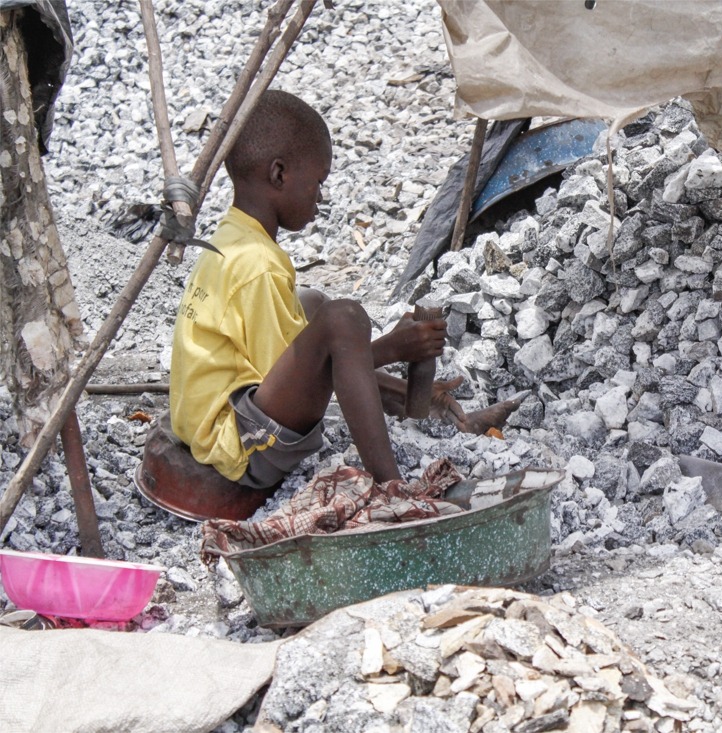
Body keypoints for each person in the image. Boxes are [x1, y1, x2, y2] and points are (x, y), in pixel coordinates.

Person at [169, 89, 514, 489]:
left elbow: (301, 368)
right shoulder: (257, 266)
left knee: (313, 304)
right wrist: (391, 349)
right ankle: (393, 487)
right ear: (279, 174)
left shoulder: (232, 238)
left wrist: (407, 391)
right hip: (236, 451)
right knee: (344, 319)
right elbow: (296, 379)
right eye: (318, 182)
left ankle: (408, 404)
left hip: (208, 422)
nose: (321, 198)